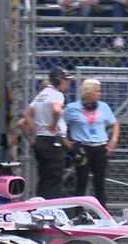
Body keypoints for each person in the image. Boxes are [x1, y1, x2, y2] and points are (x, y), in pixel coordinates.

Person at [62, 78, 119, 206]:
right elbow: (60, 126)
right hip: (83, 148)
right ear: (87, 92)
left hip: (100, 147)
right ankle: (79, 213)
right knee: (81, 182)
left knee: (100, 183)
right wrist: (67, 142)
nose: (100, 94)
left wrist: (113, 140)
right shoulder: (72, 108)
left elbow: (114, 124)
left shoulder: (103, 107)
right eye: (97, 91)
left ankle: (102, 214)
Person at [21, 66, 73, 198]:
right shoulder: (57, 94)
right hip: (52, 141)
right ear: (59, 80)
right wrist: (53, 124)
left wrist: (36, 129)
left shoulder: (41, 95)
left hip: (41, 139)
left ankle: (40, 205)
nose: (67, 83)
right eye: (66, 80)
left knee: (43, 178)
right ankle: (52, 209)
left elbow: (26, 114)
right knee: (54, 179)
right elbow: (56, 109)